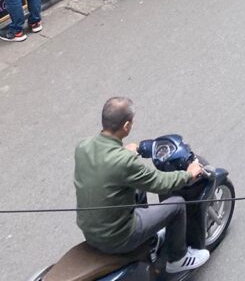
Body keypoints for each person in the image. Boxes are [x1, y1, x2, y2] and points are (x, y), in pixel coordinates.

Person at [74, 97, 210, 274]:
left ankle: (151, 240)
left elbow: (105, 167)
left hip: (90, 231)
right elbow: (160, 183)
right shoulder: (125, 162)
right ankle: (178, 258)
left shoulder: (83, 146)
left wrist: (123, 152)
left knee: (136, 187)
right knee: (177, 204)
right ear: (126, 126)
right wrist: (188, 173)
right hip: (118, 237)